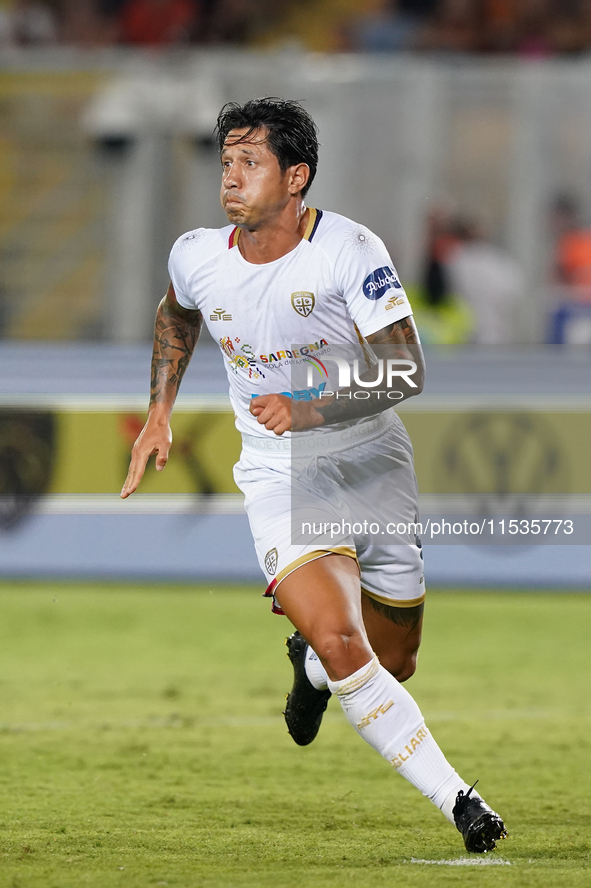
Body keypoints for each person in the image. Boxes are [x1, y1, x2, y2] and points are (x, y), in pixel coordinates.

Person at [121, 97, 507, 854]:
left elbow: (406, 369)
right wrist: (158, 412)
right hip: (277, 473)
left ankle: (311, 671)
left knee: (393, 662)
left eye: (249, 161)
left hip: (371, 462)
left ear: (295, 177)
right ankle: (461, 801)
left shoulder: (347, 250)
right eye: (225, 160)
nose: (230, 177)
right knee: (340, 638)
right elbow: (178, 314)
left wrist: (310, 409)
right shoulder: (197, 253)